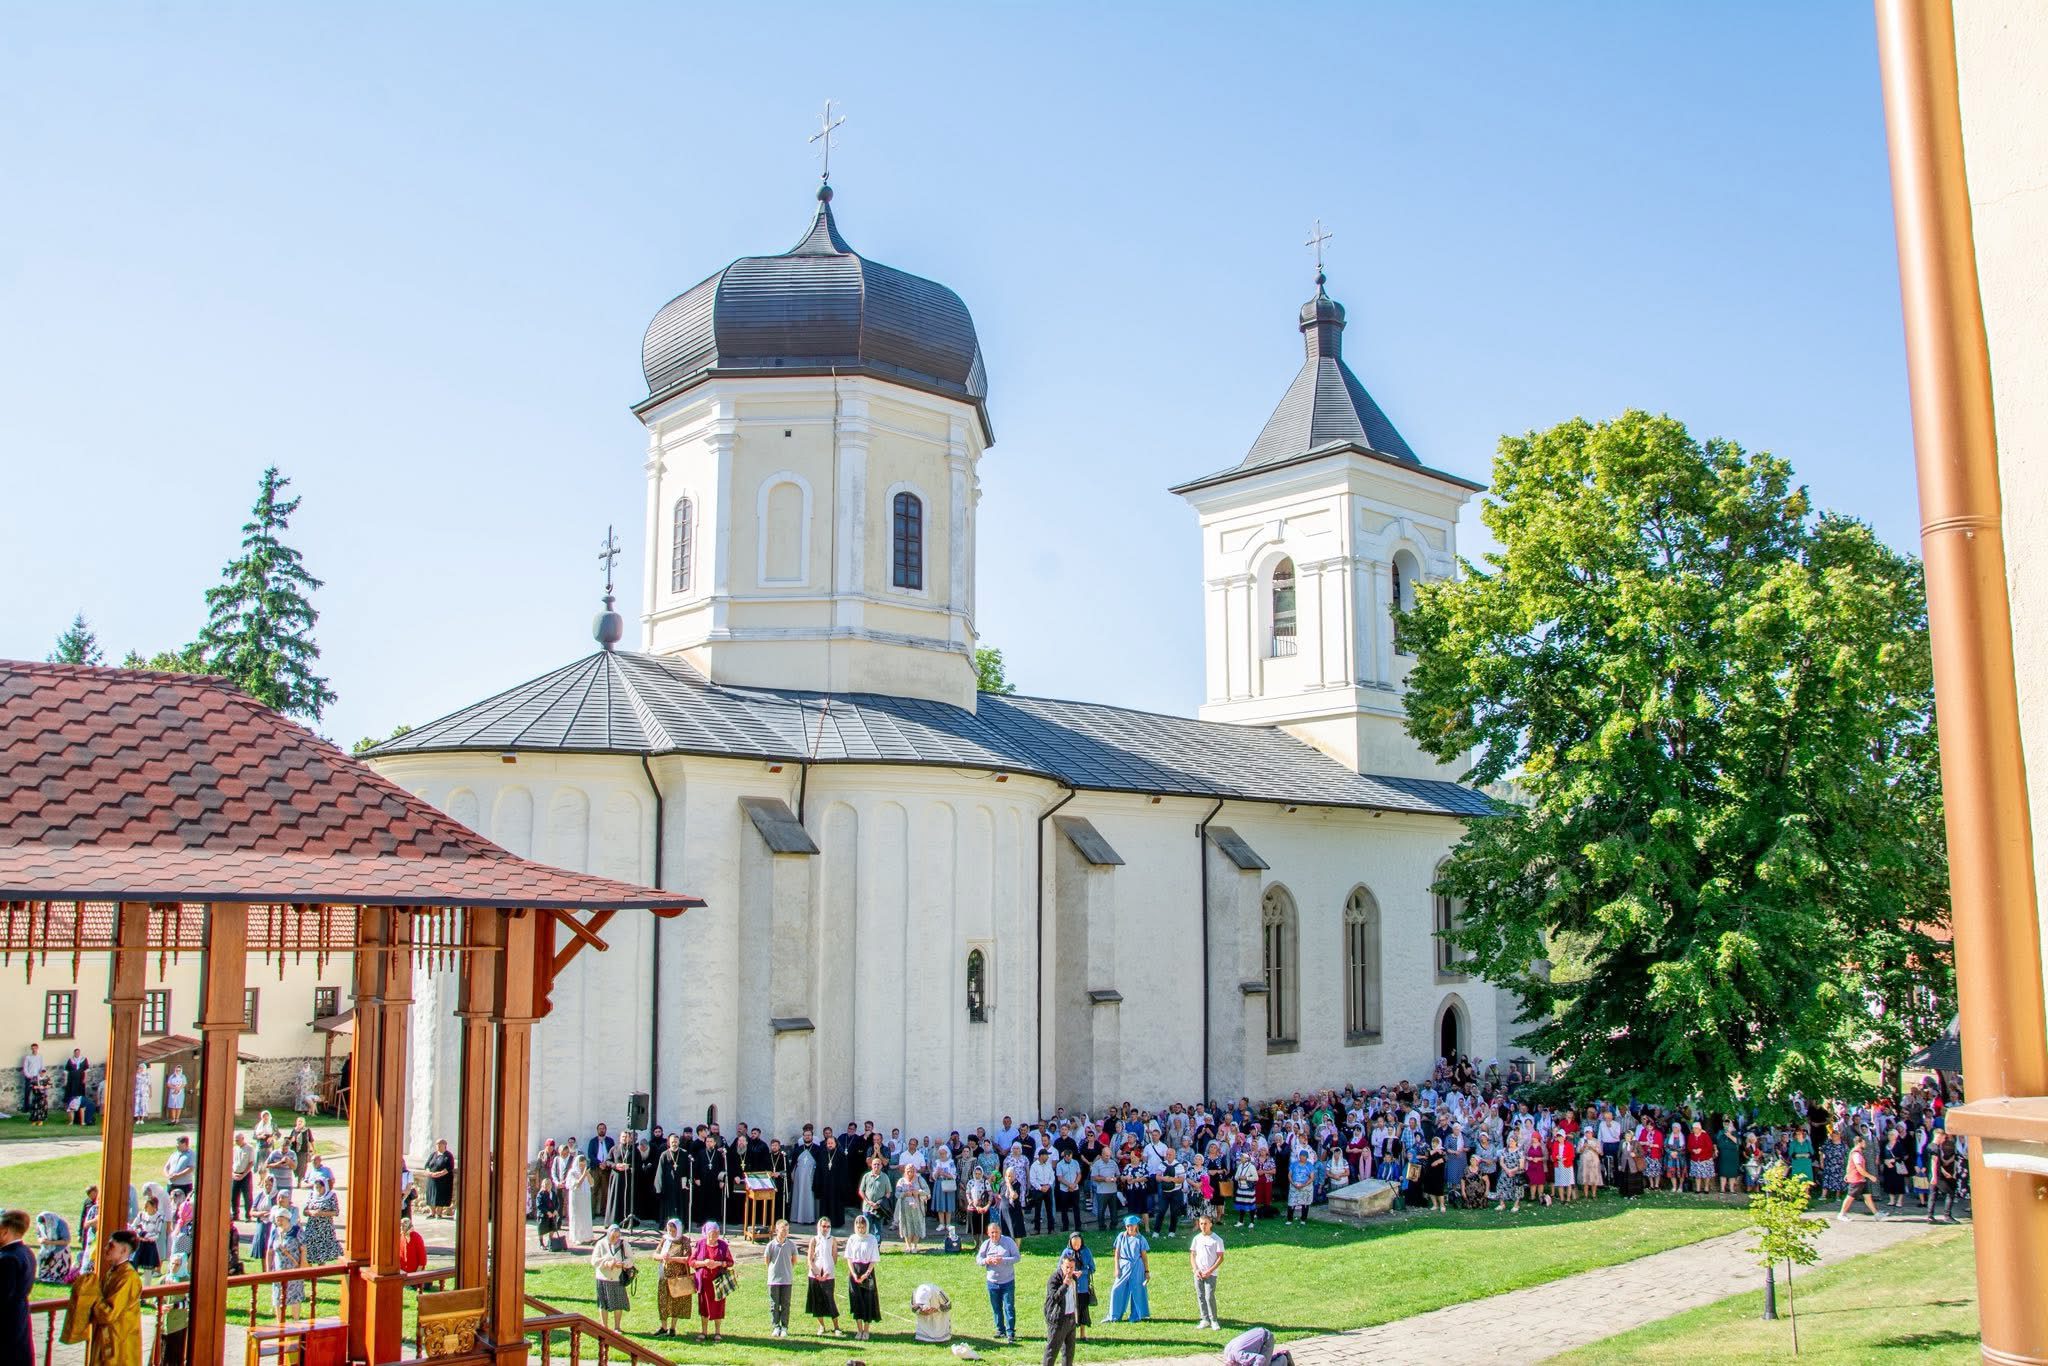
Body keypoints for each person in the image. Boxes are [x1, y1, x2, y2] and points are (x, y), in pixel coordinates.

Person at [90, 1230, 143, 1366]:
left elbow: (109, 1314)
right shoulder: (113, 1272)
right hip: (108, 1337)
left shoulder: (128, 1277)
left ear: (124, 1250)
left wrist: (91, 1295)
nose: (105, 1248)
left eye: (111, 1246)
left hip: (119, 1341)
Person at [690, 1220, 734, 1343]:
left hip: (718, 1281)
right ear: (706, 1233)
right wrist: (704, 1263)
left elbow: (730, 1262)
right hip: (704, 1282)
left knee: (718, 1306)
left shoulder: (723, 1245)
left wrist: (718, 1263)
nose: (714, 1236)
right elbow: (691, 1261)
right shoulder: (700, 1244)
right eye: (712, 1233)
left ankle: (717, 1332)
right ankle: (704, 1332)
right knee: (704, 1306)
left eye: (717, 1233)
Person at [977, 1218, 1020, 1344]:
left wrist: (1003, 1260)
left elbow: (1017, 1257)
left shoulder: (1008, 1242)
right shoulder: (986, 1244)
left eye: (996, 1232)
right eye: (992, 1233)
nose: (994, 1235)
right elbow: (978, 1259)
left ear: (1000, 1232)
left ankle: (1010, 1332)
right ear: (988, 1233)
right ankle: (1000, 1330)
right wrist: (987, 1261)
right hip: (992, 1282)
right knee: (996, 1307)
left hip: (1007, 1281)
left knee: (1009, 1307)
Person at [1, 1210, 32, 1366]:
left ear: (5, 1231)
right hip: (20, 1317)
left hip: (5, 1324)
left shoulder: (7, 1259)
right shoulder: (26, 1252)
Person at [1042, 1249, 1082, 1366]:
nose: (1069, 1270)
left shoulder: (1073, 1278)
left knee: (1069, 1353)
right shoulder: (1054, 1278)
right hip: (1057, 1320)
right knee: (1052, 1352)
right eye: (1067, 1267)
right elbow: (1054, 1298)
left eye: (1072, 1267)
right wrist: (1064, 1285)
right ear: (1061, 1266)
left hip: (1071, 1318)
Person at [265, 1208, 307, 1318]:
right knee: (277, 1296)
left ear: (287, 1219)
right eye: (277, 1220)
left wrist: (302, 1266)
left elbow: (304, 1248)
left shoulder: (296, 1231)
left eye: (281, 1219)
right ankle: (279, 1322)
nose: (278, 1222)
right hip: (278, 1270)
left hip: (294, 1270)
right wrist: (268, 1269)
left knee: (294, 1296)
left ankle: (296, 1321)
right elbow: (270, 1251)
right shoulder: (275, 1231)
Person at [843, 1214, 880, 1342]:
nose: (860, 1229)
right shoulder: (852, 1239)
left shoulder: (872, 1239)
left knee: (868, 1299)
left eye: (863, 1227)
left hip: (867, 1272)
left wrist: (867, 1273)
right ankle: (859, 1330)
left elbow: (874, 1259)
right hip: (855, 1271)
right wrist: (853, 1273)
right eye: (858, 1227)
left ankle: (866, 1329)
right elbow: (849, 1258)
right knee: (856, 1299)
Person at [652, 1220, 691, 1337]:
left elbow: (687, 1258)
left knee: (676, 1301)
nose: (671, 1233)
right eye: (669, 1230)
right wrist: (662, 1257)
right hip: (664, 1275)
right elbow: (655, 1255)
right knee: (663, 1300)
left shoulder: (684, 1241)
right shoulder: (665, 1239)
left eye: (674, 1231)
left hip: (677, 1276)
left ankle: (673, 1327)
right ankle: (663, 1326)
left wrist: (672, 1259)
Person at [590, 1225, 631, 1333]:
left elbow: (631, 1259)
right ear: (608, 1234)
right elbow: (594, 1261)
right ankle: (604, 1327)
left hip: (617, 1277)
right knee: (603, 1303)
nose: (615, 1239)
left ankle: (617, 1327)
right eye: (613, 1236)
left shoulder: (624, 1244)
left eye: (617, 1236)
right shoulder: (601, 1243)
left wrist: (623, 1264)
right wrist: (607, 1263)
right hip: (603, 1277)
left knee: (618, 1302)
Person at [1110, 1214, 1150, 1323]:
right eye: (1128, 1226)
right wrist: (1117, 1268)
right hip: (1124, 1266)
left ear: (1136, 1226)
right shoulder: (1121, 1237)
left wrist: (1146, 1271)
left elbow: (1144, 1256)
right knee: (1116, 1289)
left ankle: (1137, 1315)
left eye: (1132, 1225)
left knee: (1137, 1290)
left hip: (1137, 1266)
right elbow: (1117, 1253)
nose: (1130, 1228)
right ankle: (1114, 1315)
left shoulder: (1140, 1239)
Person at [1189, 1213, 1225, 1331]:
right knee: (1200, 1296)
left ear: (1210, 1224)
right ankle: (1204, 1319)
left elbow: (1220, 1257)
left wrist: (1210, 1271)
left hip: (1211, 1274)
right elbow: (1192, 1255)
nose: (1203, 1226)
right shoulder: (1197, 1238)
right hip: (1198, 1273)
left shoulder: (1217, 1239)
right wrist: (1195, 1269)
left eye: (1205, 1224)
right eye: (1201, 1224)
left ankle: (1213, 1320)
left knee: (1209, 1296)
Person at [805, 1217, 841, 1335]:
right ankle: (821, 1326)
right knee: (817, 1300)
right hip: (815, 1274)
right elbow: (809, 1259)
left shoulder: (833, 1240)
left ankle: (836, 1327)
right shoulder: (814, 1240)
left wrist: (827, 1273)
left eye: (828, 1227)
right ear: (819, 1227)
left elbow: (834, 1258)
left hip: (828, 1274)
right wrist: (816, 1273)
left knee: (829, 1299)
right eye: (823, 1226)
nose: (825, 1229)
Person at [1838, 1138, 1888, 1223]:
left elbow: (1850, 1165)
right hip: (1856, 1179)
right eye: (1864, 1143)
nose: (1865, 1145)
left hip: (1861, 1179)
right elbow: (1859, 1168)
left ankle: (1876, 1214)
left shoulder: (1857, 1153)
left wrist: (1848, 1173)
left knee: (1868, 1197)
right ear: (1859, 1143)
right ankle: (1842, 1214)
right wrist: (1870, 1176)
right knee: (1850, 1197)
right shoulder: (1856, 1154)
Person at [762, 1219, 796, 1338]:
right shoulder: (770, 1245)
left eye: (787, 1230)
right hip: (773, 1280)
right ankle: (776, 1326)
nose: (785, 1232)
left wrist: (787, 1269)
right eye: (782, 1230)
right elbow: (767, 1261)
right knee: (774, 1304)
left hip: (787, 1279)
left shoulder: (791, 1245)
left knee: (785, 1304)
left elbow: (794, 1260)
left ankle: (784, 1327)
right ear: (777, 1230)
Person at [301, 1178, 341, 1264]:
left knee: (322, 1253)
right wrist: (311, 1212)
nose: (318, 1189)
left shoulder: (331, 1195)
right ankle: (309, 1270)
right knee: (309, 1251)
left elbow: (336, 1212)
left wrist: (322, 1213)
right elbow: (304, 1211)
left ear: (325, 1186)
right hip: (312, 1227)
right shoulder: (312, 1195)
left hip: (325, 1228)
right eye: (316, 1187)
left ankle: (321, 1269)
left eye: (320, 1187)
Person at [1929, 1132, 1963, 1223]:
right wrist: (1936, 1176)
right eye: (1943, 1138)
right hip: (1937, 1176)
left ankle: (1930, 1216)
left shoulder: (1930, 1146)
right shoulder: (1935, 1148)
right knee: (1950, 1193)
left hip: (1932, 1175)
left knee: (1933, 1195)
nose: (1944, 1140)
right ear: (1939, 1137)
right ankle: (1947, 1216)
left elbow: (1938, 1162)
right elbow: (1934, 1163)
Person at [894, 1164, 928, 1253]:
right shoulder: (901, 1181)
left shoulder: (920, 1179)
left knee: (917, 1225)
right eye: (908, 1171)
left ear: (915, 1171)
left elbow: (927, 1191)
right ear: (905, 1171)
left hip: (917, 1207)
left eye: (912, 1171)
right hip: (905, 1208)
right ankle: (908, 1246)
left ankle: (914, 1246)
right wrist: (905, 1194)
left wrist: (918, 1192)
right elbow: (897, 1194)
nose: (910, 1173)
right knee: (906, 1226)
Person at [423, 1140, 455, 1218]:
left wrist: (439, 1174)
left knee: (441, 1195)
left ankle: (439, 1213)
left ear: (445, 1145)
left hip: (443, 1180)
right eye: (437, 1144)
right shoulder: (433, 1154)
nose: (438, 1146)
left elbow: (450, 1167)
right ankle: (432, 1213)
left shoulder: (448, 1155)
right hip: (432, 1178)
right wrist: (429, 1172)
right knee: (431, 1195)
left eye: (440, 1144)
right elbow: (427, 1165)